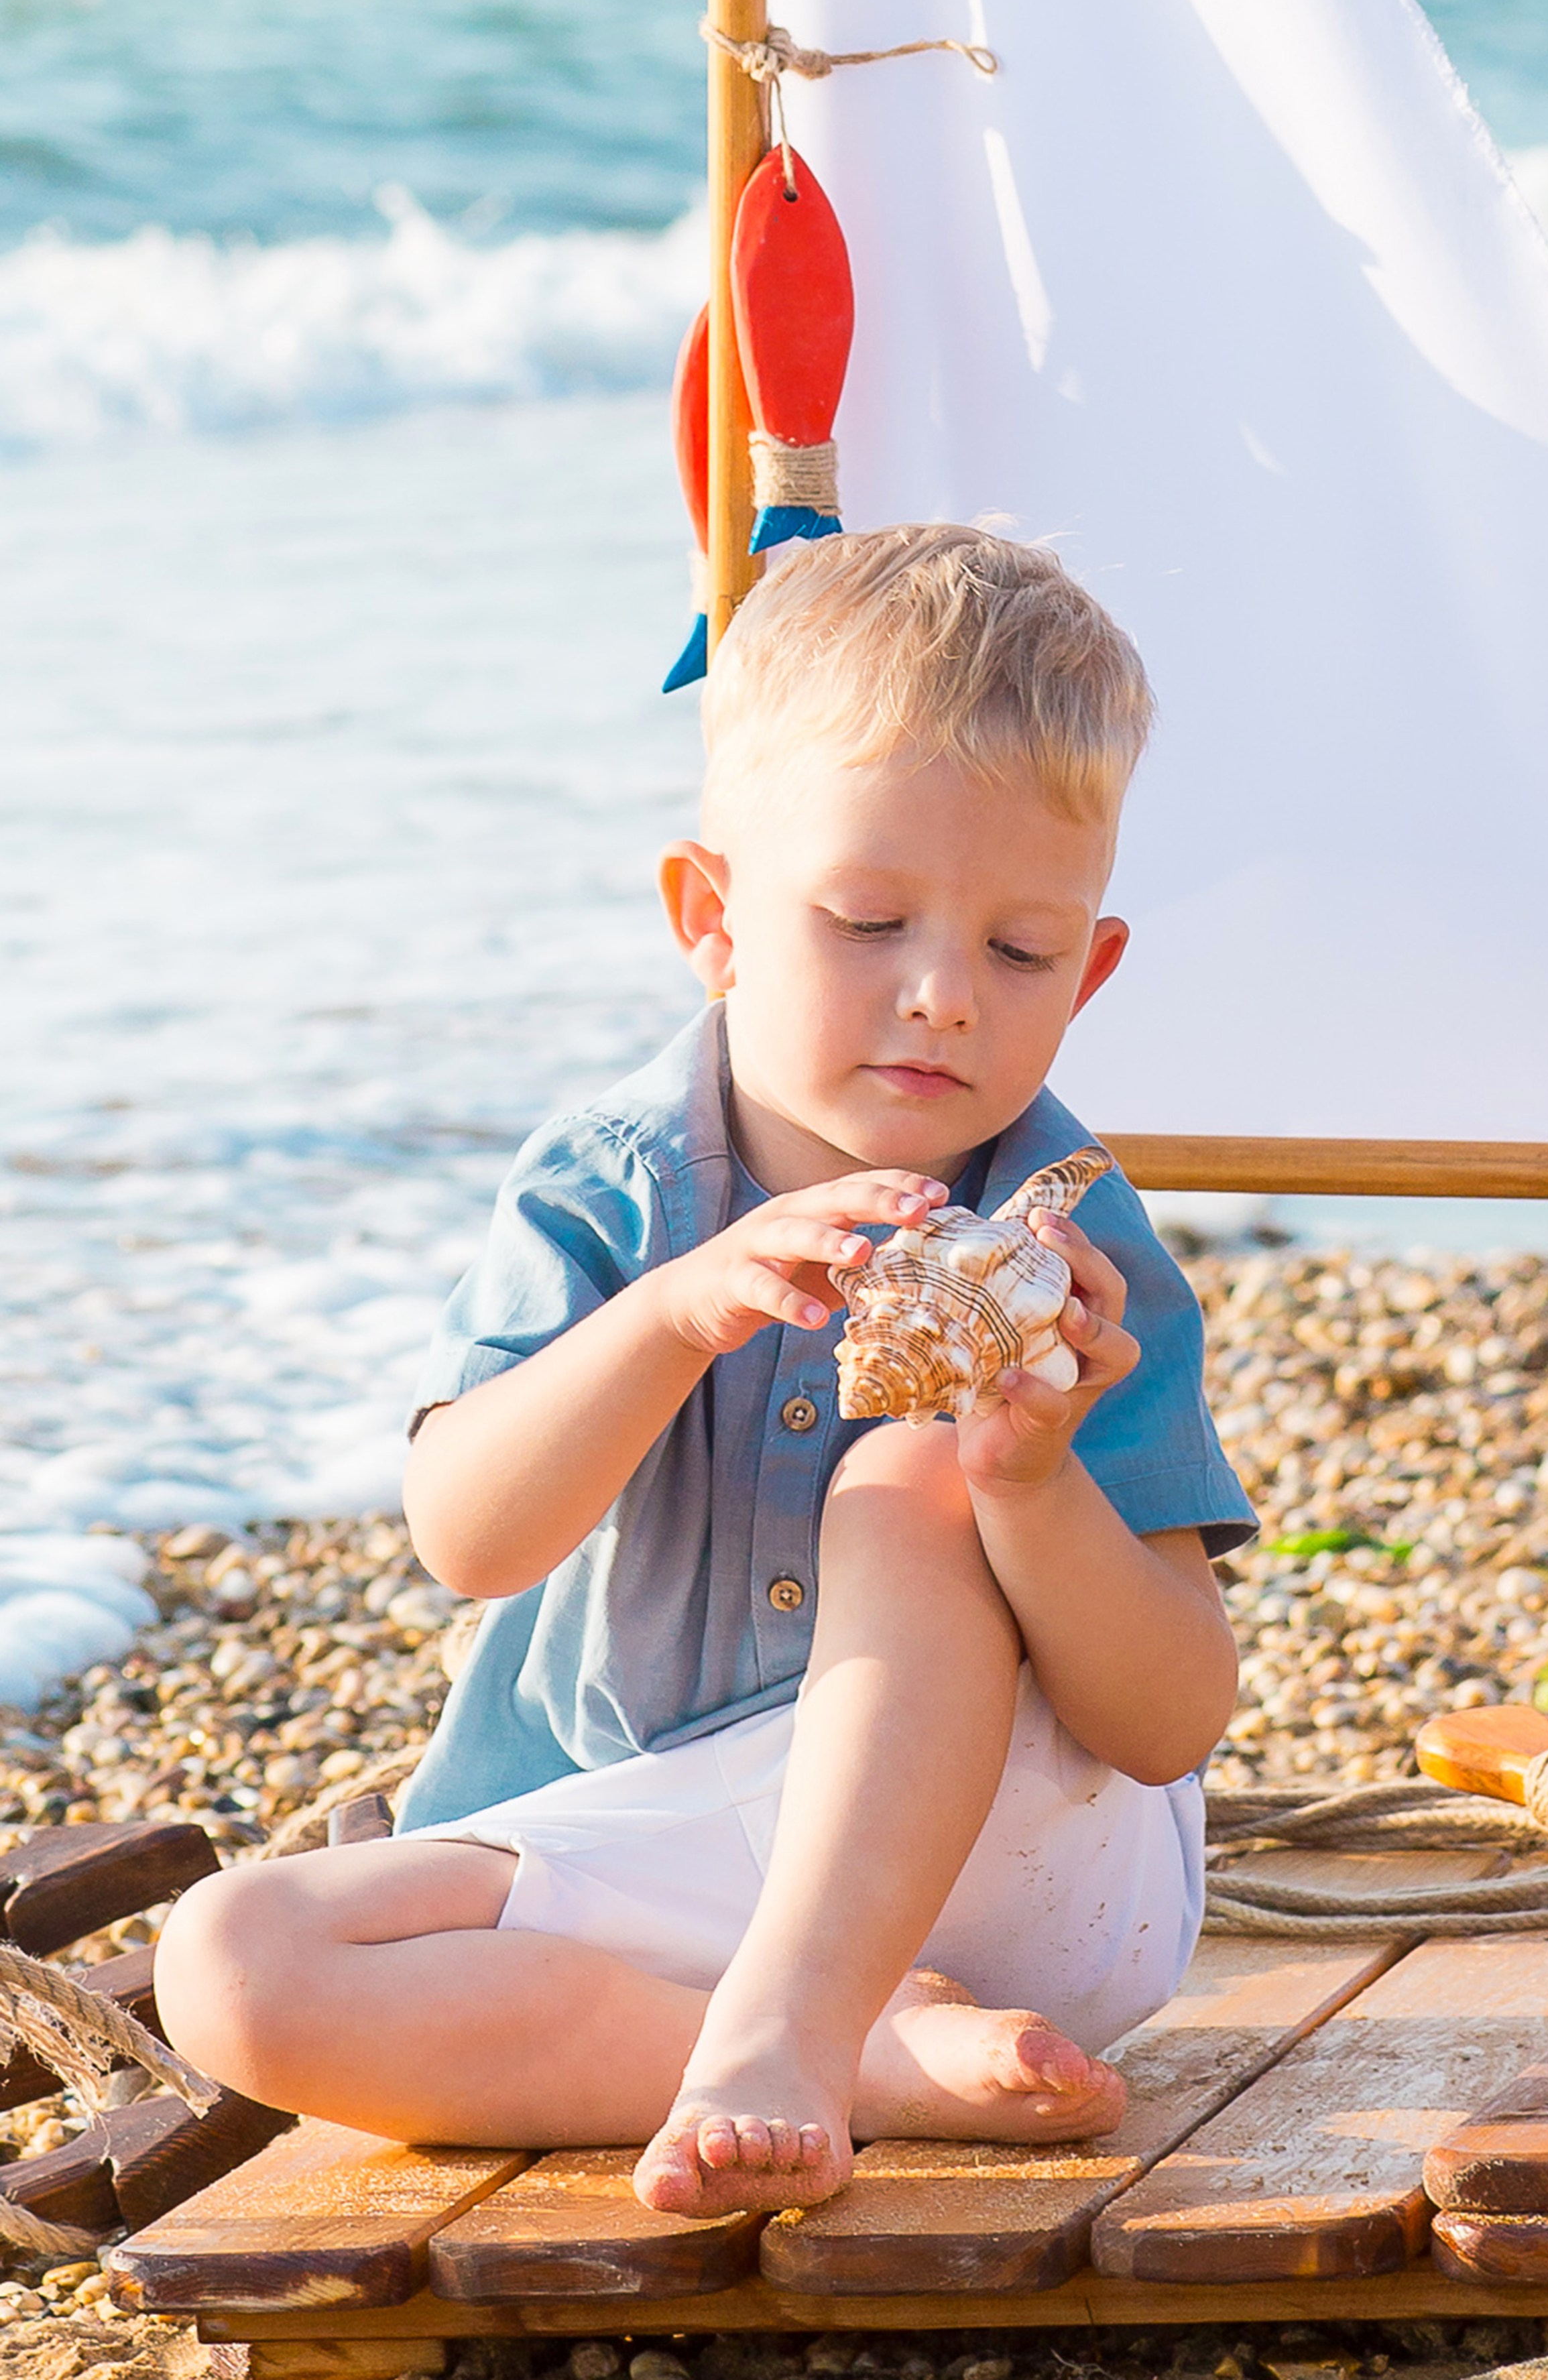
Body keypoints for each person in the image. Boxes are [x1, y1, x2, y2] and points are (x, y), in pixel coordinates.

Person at [155, 526, 1254, 2220]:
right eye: (869, 920)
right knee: (234, 1960)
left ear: (1089, 971)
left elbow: (1168, 1721)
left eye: (1021, 952)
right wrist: (668, 1316)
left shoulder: (1074, 1243)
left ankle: (796, 2019)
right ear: (712, 917)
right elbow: (471, 1541)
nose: (944, 996)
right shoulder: (610, 1190)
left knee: (916, 1471)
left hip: (1018, 1859)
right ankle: (865, 2059)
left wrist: (1027, 1484)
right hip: (660, 1839)